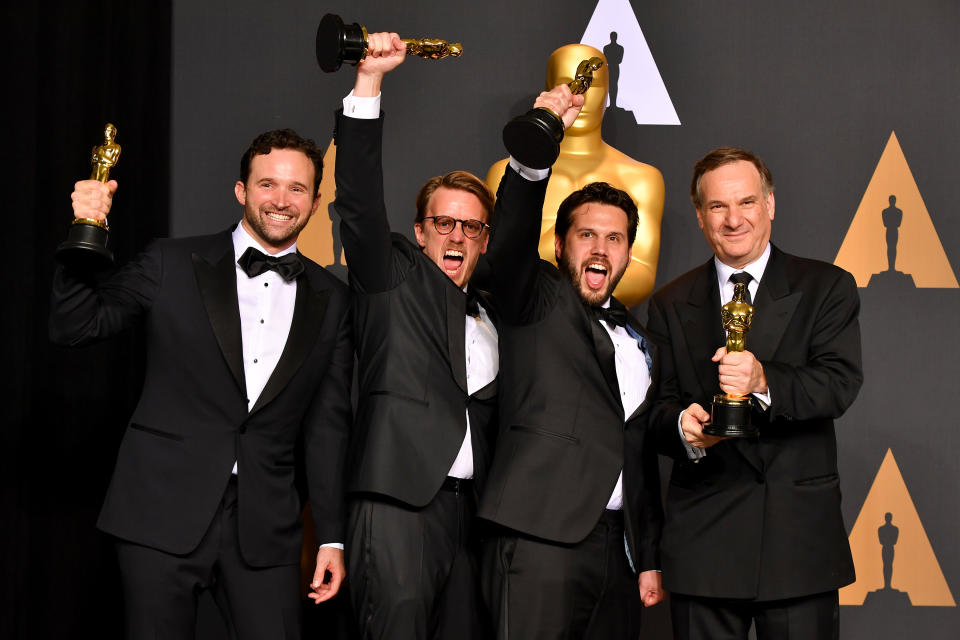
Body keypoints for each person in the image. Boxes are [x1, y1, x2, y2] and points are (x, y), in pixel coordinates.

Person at [49, 128, 353, 639]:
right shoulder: (170, 262)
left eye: (297, 189)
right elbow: (76, 326)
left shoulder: (333, 299)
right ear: (241, 192)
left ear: (316, 201)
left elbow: (327, 426)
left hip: (266, 525)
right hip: (159, 511)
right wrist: (87, 228)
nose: (281, 200)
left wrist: (331, 537)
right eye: (267, 185)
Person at [332, 33, 513, 639]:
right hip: (395, 507)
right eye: (444, 222)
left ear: (485, 240)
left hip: (472, 520)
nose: (457, 236)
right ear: (419, 230)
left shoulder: (493, 315)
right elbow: (356, 202)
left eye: (471, 226)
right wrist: (369, 85)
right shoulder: (391, 279)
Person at [646, 147, 863, 640]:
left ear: (770, 204)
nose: (733, 219)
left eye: (746, 202)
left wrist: (764, 381)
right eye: (718, 207)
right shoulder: (669, 302)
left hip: (796, 542)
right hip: (705, 541)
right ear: (700, 215)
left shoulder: (826, 287)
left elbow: (838, 384)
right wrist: (682, 428)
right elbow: (654, 411)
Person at [479, 83, 664, 639]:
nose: (601, 249)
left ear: (630, 252)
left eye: (615, 238)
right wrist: (537, 150)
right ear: (559, 246)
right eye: (587, 235)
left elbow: (636, 446)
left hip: (618, 553)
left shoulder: (640, 337)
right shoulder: (535, 296)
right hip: (538, 539)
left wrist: (647, 549)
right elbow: (508, 241)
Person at [486, 43, 665, 307]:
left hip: (607, 334)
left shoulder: (642, 178)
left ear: (607, 92)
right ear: (548, 91)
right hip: (526, 327)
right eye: (566, 83)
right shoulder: (509, 172)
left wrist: (551, 259)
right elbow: (500, 262)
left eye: (590, 84)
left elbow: (642, 276)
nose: (579, 93)